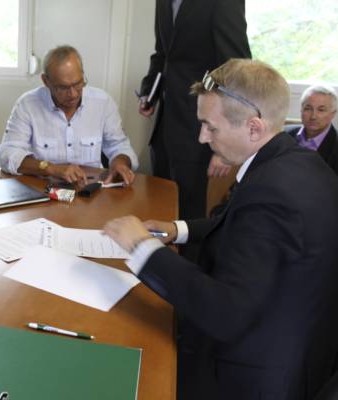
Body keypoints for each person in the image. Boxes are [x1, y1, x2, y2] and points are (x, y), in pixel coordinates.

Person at [105, 59, 338, 399]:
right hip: (300, 337)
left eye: (209, 127)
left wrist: (143, 249)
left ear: (254, 128)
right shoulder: (295, 160)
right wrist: (178, 229)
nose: (202, 138)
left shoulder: (272, 194)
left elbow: (225, 313)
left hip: (256, 375)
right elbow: (244, 224)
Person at [138, 0, 251, 220]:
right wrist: (149, 92)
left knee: (188, 217)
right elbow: (163, 54)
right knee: (160, 212)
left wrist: (224, 148)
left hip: (199, 133)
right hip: (163, 131)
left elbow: (236, 69)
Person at [0, 45, 138, 185]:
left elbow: (119, 146)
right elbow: (7, 154)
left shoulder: (103, 103)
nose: (73, 94)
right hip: (43, 188)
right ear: (46, 81)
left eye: (78, 84)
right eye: (63, 87)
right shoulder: (27, 105)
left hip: (89, 188)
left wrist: (120, 162)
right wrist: (50, 168)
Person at [285, 84, 338, 174]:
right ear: (301, 109)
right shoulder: (284, 134)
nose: (313, 116)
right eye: (308, 108)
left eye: (321, 110)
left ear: (333, 114)